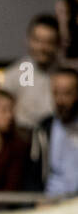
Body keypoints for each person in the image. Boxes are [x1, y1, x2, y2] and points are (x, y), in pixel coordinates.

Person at [1, 14, 60, 131]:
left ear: (58, 43)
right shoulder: (13, 75)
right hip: (24, 137)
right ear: (28, 40)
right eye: (37, 40)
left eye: (48, 42)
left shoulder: (66, 75)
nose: (42, 48)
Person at [31, 66, 78, 197]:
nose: (60, 100)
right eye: (56, 93)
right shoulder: (43, 129)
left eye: (67, 93)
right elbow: (33, 174)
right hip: (51, 202)